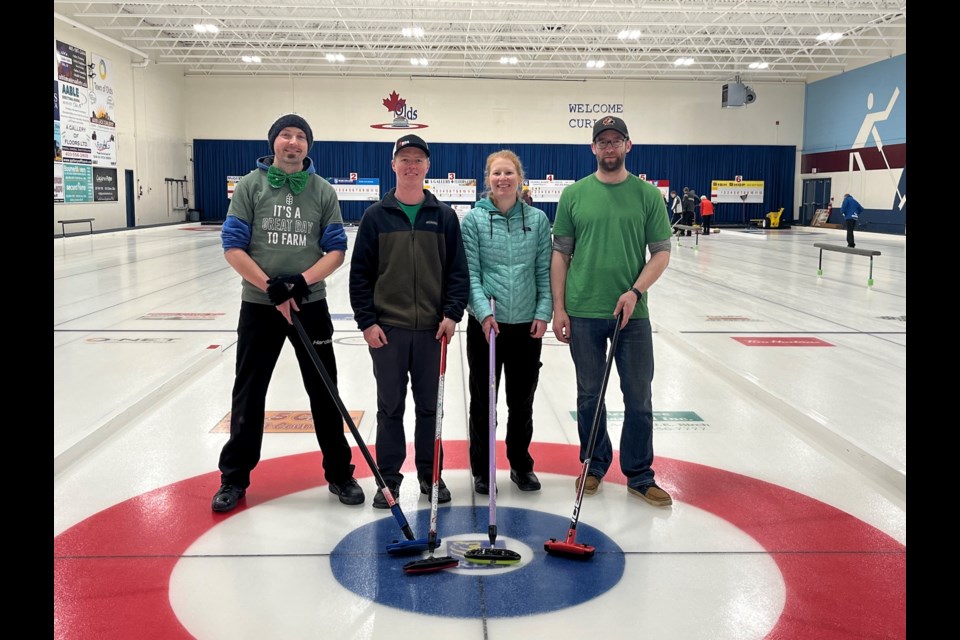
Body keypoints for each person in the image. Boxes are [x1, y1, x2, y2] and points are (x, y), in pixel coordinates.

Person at [212, 113, 363, 513]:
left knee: (324, 391)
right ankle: (234, 478)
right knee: (249, 392)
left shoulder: (322, 191)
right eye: (285, 135)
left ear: (308, 146)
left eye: (300, 137)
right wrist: (270, 286)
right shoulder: (250, 185)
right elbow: (232, 245)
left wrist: (298, 282)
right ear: (273, 142)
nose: (293, 142)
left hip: (310, 306)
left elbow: (335, 250)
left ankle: (340, 473)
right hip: (259, 307)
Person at [551, 115, 674, 507]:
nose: (608, 147)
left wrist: (635, 292)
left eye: (615, 140)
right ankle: (594, 463)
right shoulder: (574, 195)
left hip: (631, 314)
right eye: (602, 141)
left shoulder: (647, 196)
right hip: (583, 310)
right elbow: (560, 255)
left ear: (627, 146)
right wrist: (559, 307)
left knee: (638, 396)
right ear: (593, 148)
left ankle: (639, 475)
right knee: (590, 395)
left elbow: (661, 253)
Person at [349, 134, 470, 509]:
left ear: (427, 166)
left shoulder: (444, 216)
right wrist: (368, 322)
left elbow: (457, 273)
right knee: (390, 410)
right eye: (405, 158)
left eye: (418, 159)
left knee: (430, 409)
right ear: (393, 165)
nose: (412, 165)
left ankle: (431, 477)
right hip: (389, 332)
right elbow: (360, 276)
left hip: (433, 332)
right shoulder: (375, 217)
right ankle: (389, 481)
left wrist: (452, 315)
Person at [461, 150, 553, 495]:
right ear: (488, 179)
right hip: (487, 327)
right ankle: (483, 469)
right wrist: (483, 312)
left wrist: (544, 312)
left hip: (526, 326)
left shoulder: (539, 221)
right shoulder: (473, 220)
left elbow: (544, 270)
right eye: (496, 173)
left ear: (519, 177)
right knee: (484, 402)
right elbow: (470, 273)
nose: (503, 179)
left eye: (509, 173)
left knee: (521, 401)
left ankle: (520, 464)